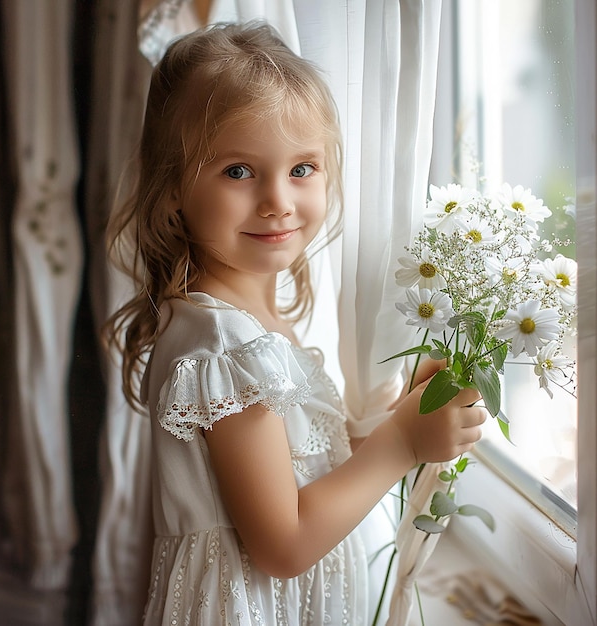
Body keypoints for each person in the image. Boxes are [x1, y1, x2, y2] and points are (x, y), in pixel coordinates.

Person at [105, 21, 486, 625]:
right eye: (238, 171)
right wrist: (401, 442)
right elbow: (282, 544)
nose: (278, 200)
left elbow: (297, 477)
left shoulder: (244, 323)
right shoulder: (224, 350)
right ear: (174, 185)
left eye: (302, 168)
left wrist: (401, 419)